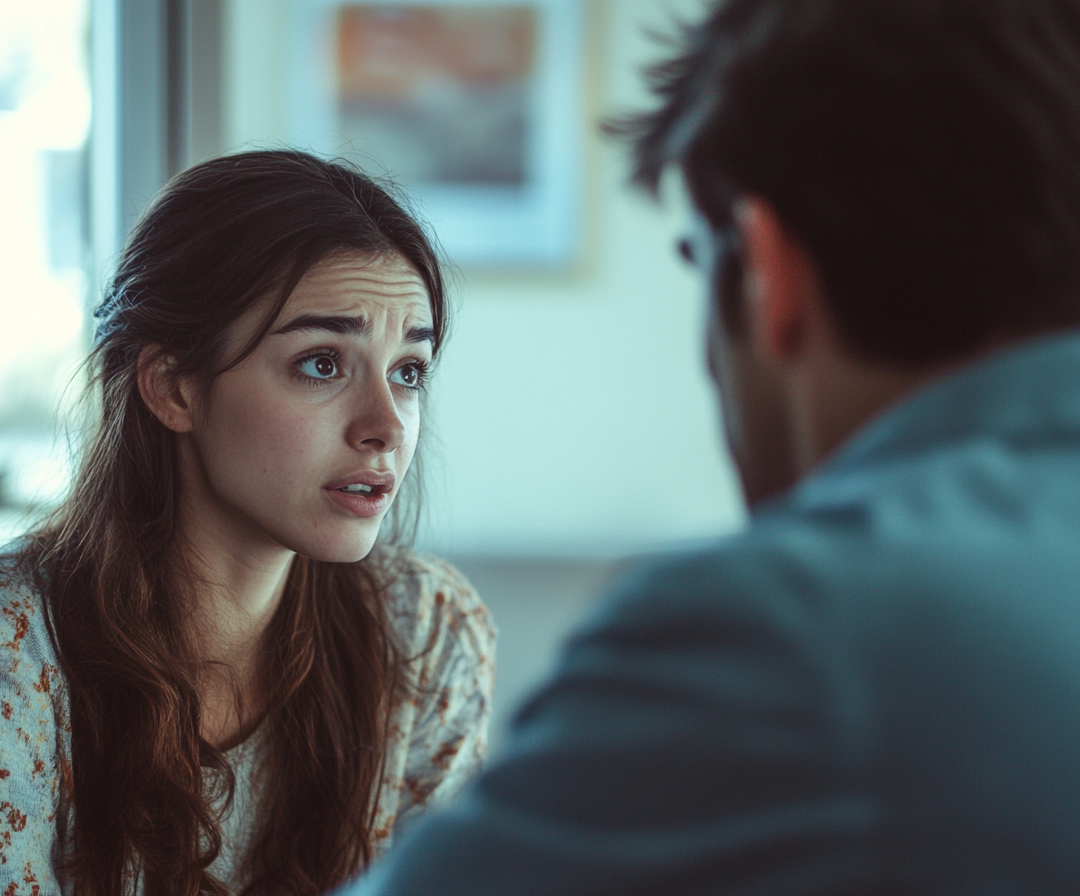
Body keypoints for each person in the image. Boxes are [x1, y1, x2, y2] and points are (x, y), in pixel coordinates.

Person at [338, 1, 1080, 893]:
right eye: (319, 362)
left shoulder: (785, 629)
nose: (383, 418)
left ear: (768, 273)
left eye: (696, 255)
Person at [0, 150, 496, 896]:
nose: (386, 424)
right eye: (322, 363)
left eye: (408, 370)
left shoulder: (423, 630)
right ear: (172, 386)